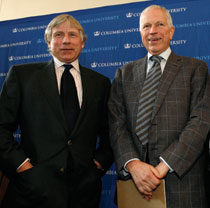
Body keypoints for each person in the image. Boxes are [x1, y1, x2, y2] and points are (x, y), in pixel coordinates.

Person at [0, 14, 113, 208]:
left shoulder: (100, 83)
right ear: (49, 42)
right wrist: (23, 167)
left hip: (83, 194)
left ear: (83, 42)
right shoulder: (22, 76)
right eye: (58, 34)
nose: (66, 40)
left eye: (72, 35)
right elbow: (1, 128)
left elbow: (110, 131)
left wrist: (98, 165)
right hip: (31, 192)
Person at [108, 5, 210, 208]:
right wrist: (134, 165)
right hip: (135, 186)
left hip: (183, 185)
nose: (152, 31)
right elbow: (116, 123)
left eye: (159, 24)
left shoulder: (195, 69)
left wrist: (164, 166)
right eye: (146, 26)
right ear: (140, 33)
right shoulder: (124, 73)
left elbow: (200, 122)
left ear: (171, 31)